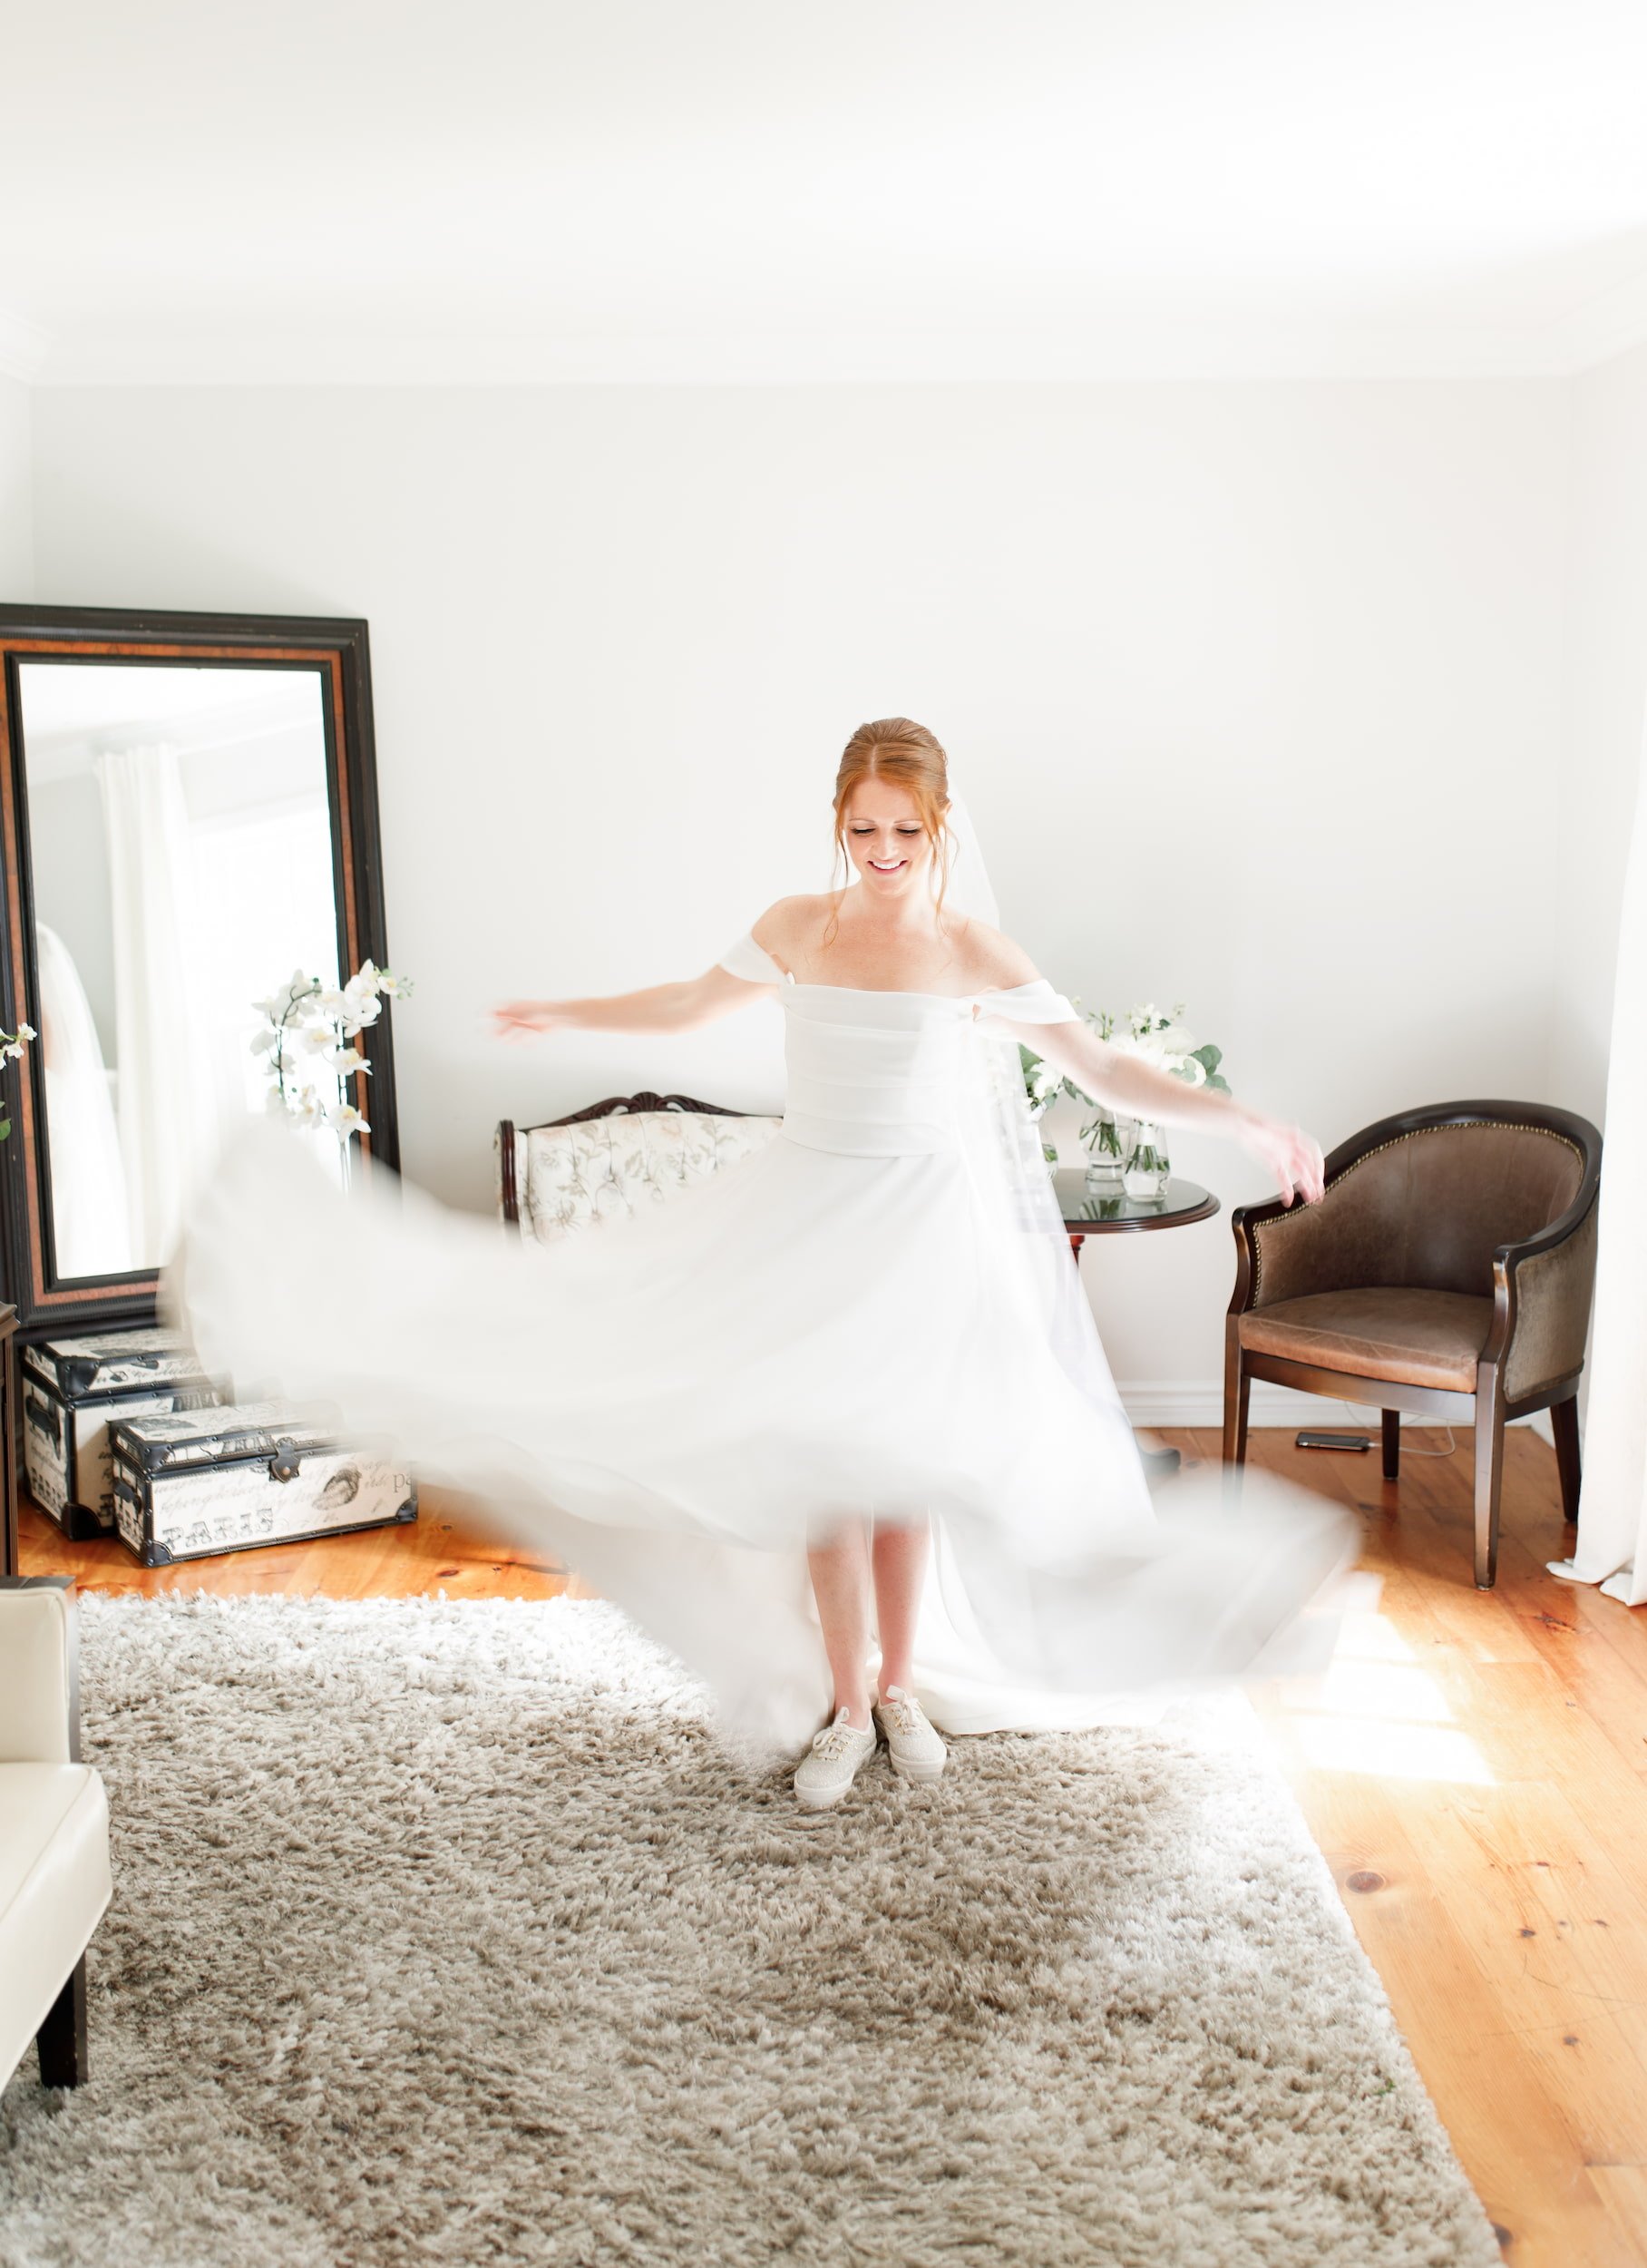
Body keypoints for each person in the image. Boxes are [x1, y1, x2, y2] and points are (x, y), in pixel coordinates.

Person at [169, 718, 1354, 1813]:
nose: (884, 851)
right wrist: (565, 1013)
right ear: (838, 822)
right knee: (825, 1476)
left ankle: (897, 1685)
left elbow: (1105, 1073)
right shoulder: (800, 924)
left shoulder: (971, 948)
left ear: (938, 829)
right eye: (863, 829)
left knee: (908, 1469)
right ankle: (845, 1702)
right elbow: (688, 1006)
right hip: (811, 1213)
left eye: (906, 830)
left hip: (924, 1229)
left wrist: (1243, 1120)